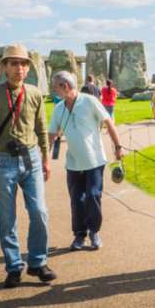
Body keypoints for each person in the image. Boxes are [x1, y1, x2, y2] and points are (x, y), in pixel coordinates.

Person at [0, 44, 55, 288]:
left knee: (39, 212)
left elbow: (42, 127)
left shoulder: (34, 93)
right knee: (7, 218)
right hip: (2, 160)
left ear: (28, 67)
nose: (20, 67)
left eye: (24, 63)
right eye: (14, 63)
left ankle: (38, 262)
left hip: (30, 157)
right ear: (4, 66)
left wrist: (46, 156)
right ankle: (13, 268)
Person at [47, 71, 125, 252]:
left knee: (92, 195)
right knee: (76, 200)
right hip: (73, 164)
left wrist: (118, 146)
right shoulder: (58, 109)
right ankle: (79, 235)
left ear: (65, 86)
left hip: (95, 161)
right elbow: (51, 135)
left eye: (55, 87)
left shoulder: (89, 101)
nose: (54, 91)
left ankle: (94, 232)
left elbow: (109, 122)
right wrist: (44, 158)